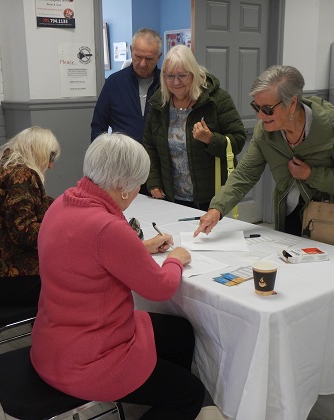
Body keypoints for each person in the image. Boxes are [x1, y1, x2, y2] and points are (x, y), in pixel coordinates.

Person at [30, 133, 205, 419]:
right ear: (124, 188)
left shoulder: (62, 203)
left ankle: (156, 393)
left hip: (53, 343)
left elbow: (90, 257)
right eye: (138, 186)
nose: (138, 192)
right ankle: (164, 398)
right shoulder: (107, 227)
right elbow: (160, 288)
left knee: (180, 332)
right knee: (191, 394)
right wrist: (175, 258)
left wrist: (141, 248)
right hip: (89, 360)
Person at [194, 65, 334, 237]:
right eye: (257, 107)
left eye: (268, 109)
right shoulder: (264, 133)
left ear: (292, 103)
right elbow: (244, 175)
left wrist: (311, 175)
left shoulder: (331, 126)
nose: (260, 116)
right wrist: (216, 209)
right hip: (290, 214)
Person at [144, 44, 246, 211]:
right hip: (171, 197)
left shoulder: (217, 99)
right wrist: (153, 181)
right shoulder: (159, 103)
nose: (175, 82)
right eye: (169, 76)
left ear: (194, 73)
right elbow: (150, 146)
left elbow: (238, 140)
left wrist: (211, 140)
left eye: (182, 76)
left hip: (211, 198)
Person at [0, 126, 60, 305]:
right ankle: (64, 329)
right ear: (38, 151)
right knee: (79, 274)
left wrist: (66, 204)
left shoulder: (2, 168)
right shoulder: (22, 175)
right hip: (12, 279)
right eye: (51, 157)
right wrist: (64, 226)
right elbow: (25, 233)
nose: (51, 165)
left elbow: (35, 203)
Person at [91, 28, 163, 143]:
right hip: (123, 155)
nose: (143, 64)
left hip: (157, 158)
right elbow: (98, 125)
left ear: (159, 56)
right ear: (131, 50)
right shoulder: (114, 83)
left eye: (149, 59)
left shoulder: (166, 83)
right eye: (138, 57)